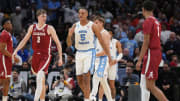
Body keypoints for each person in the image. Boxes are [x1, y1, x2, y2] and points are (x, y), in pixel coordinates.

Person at [13, 9, 63, 101]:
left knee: (40, 76)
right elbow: (24, 40)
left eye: (45, 16)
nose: (45, 18)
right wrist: (16, 50)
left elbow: (58, 43)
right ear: (38, 17)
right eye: (42, 16)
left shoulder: (49, 28)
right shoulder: (32, 27)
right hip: (35, 56)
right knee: (41, 80)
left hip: (45, 56)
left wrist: (60, 58)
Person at [66, 8, 115, 101]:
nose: (80, 15)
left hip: (98, 57)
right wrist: (69, 35)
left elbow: (105, 48)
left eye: (83, 13)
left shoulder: (102, 32)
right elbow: (69, 44)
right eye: (79, 13)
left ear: (87, 14)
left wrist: (109, 57)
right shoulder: (75, 26)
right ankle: (108, 99)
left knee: (90, 76)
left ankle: (91, 97)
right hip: (80, 53)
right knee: (82, 80)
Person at [136, 1, 168, 101]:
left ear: (143, 9)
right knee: (144, 83)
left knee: (150, 86)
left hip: (151, 53)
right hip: (155, 52)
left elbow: (146, 42)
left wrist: (139, 60)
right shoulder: (156, 21)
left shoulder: (148, 21)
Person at [90, 16, 114, 101]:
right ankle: (110, 99)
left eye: (96, 23)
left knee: (96, 75)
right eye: (94, 23)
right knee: (103, 82)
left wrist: (94, 55)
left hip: (103, 59)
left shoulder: (105, 33)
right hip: (97, 60)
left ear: (101, 23)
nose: (95, 24)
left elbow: (106, 51)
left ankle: (92, 96)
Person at [98, 29, 123, 101]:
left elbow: (121, 53)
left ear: (111, 34)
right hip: (104, 63)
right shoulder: (101, 42)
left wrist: (117, 59)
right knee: (102, 84)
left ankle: (113, 99)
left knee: (112, 84)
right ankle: (100, 100)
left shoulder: (116, 42)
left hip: (113, 64)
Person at [0, 18, 19, 101]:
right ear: (4, 26)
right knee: (4, 80)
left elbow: (8, 48)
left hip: (7, 60)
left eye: (10, 23)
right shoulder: (4, 34)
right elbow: (2, 49)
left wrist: (12, 56)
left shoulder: (8, 34)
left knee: (6, 81)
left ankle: (4, 99)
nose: (10, 25)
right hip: (4, 59)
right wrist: (12, 57)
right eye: (8, 23)